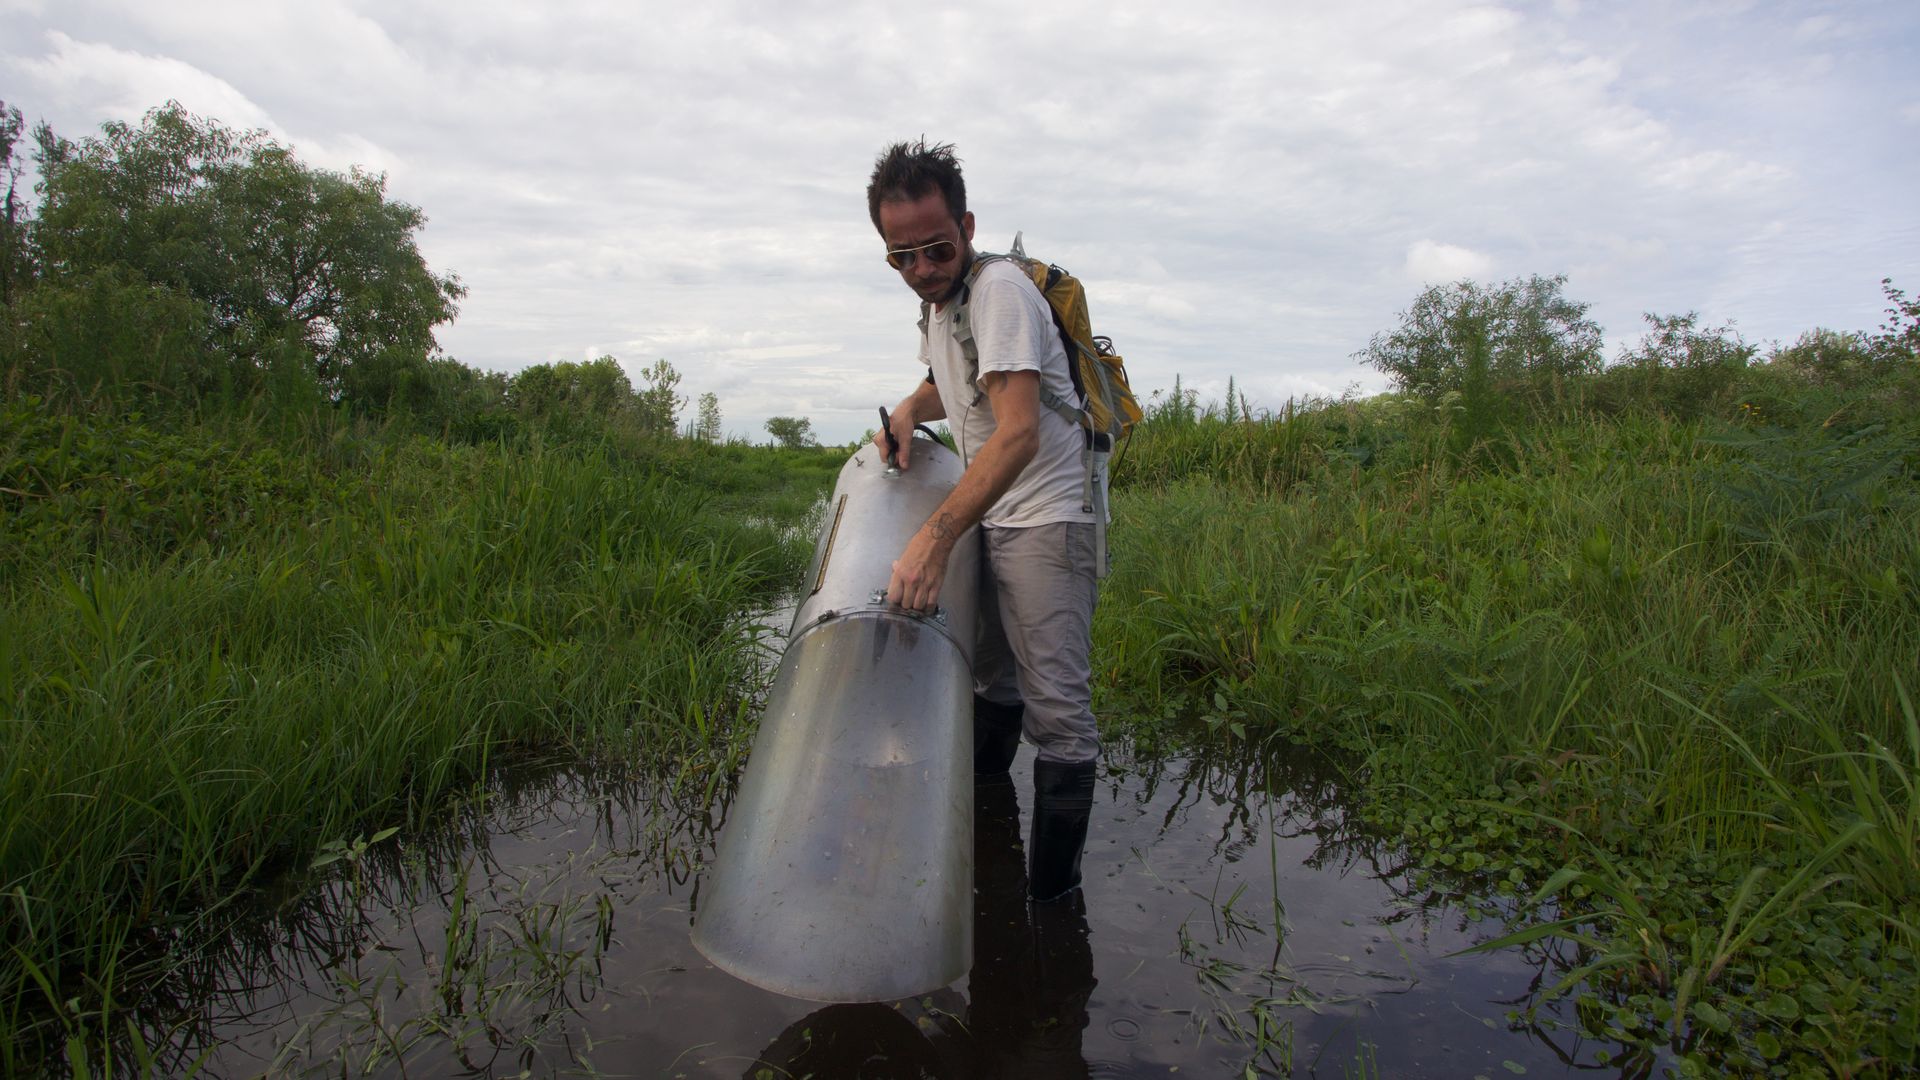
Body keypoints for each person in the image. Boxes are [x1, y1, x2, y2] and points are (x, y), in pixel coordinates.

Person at [866, 139, 1101, 903]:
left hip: (1046, 518)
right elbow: (952, 385)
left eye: (936, 248)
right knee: (994, 683)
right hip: (996, 516)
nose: (922, 269)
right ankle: (989, 849)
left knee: (1059, 719)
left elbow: (1019, 428)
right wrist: (908, 406)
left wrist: (935, 539)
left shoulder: (997, 290)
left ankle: (1050, 910)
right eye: (901, 257)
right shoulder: (940, 308)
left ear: (966, 226)